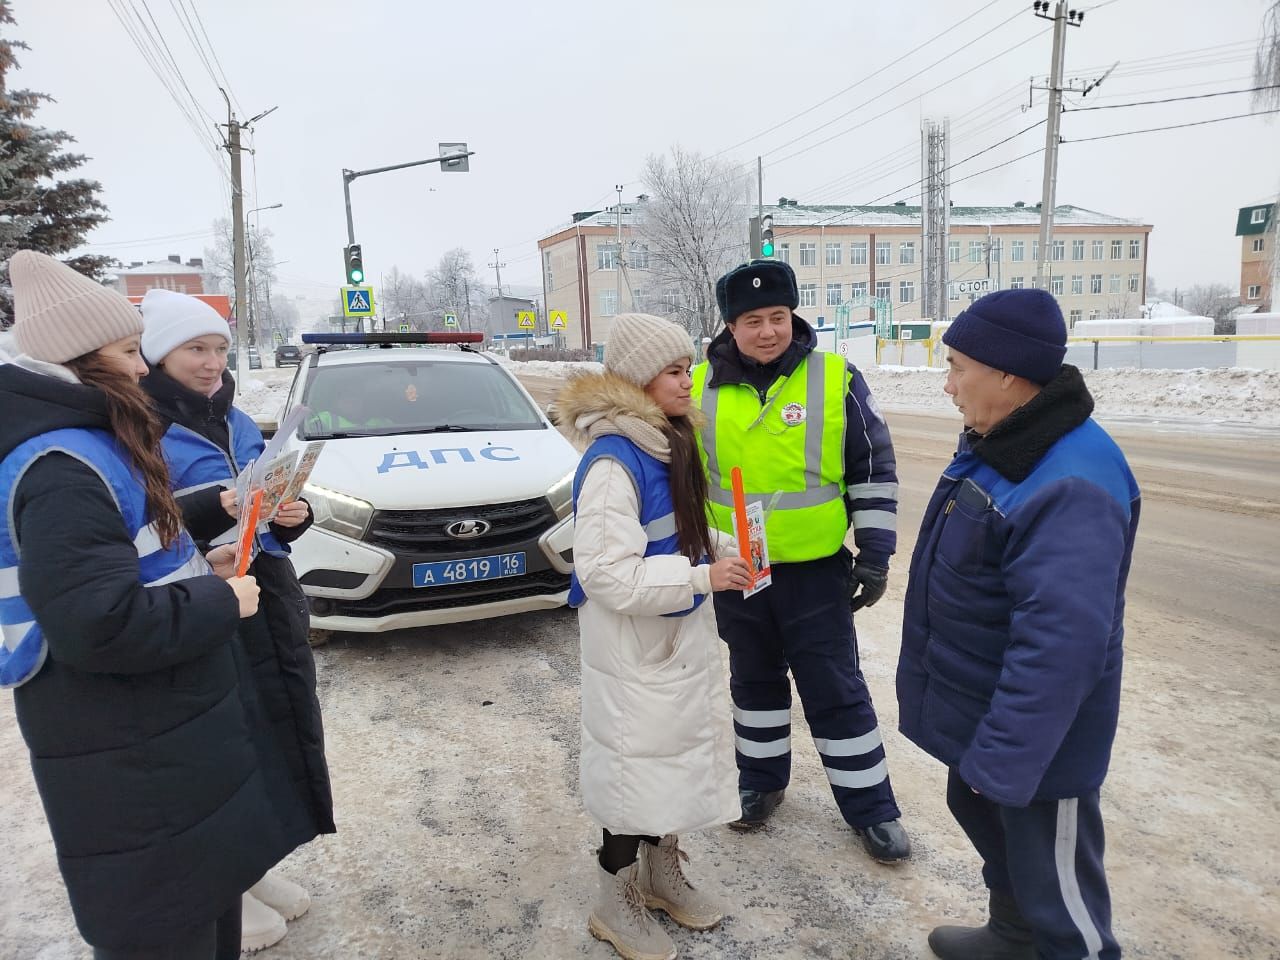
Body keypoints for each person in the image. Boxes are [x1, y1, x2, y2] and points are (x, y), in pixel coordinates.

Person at [0, 251, 296, 959]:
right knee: (168, 930)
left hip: (156, 736)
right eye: (130, 351)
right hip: (126, 751)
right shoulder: (62, 465)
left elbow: (125, 557)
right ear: (78, 360)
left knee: (200, 908)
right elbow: (97, 622)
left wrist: (200, 558)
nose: (142, 368)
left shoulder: (86, 446)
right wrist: (220, 601)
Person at [897, 288, 1138, 960]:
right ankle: (1014, 936)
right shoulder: (1003, 443)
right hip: (988, 710)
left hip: (1040, 744)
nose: (947, 387)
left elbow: (1061, 647)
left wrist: (1005, 757)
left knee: (1062, 893)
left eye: (957, 368)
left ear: (1007, 373)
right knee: (990, 826)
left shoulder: (1070, 482)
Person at [691, 259, 911, 863]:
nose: (768, 331)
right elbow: (681, 478)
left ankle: (873, 810)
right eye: (753, 320)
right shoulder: (698, 386)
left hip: (816, 572)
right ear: (731, 326)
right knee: (753, 680)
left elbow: (873, 471)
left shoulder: (835, 378)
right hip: (739, 569)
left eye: (779, 317)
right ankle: (761, 784)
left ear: (793, 316)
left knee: (835, 687)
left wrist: (874, 555)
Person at [138, 288, 335, 954]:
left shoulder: (236, 419)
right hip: (199, 593)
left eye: (220, 348)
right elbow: (141, 524)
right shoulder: (139, 428)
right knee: (218, 746)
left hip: (266, 588)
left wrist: (292, 515)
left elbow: (272, 501)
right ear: (158, 354)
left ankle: (249, 868)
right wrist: (213, 510)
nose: (211, 362)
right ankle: (220, 888)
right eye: (196, 348)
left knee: (270, 732)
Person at [556, 312, 751, 960]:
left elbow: (681, 530)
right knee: (632, 773)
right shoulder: (614, 462)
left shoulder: (666, 441)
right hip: (630, 645)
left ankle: (662, 874)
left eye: (688, 367)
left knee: (666, 765)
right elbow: (607, 573)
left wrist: (729, 549)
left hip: (669, 634)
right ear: (640, 380)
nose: (687, 380)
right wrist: (702, 576)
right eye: (674, 371)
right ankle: (615, 901)